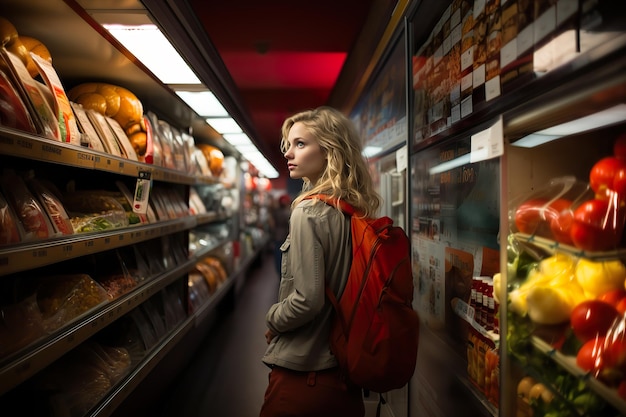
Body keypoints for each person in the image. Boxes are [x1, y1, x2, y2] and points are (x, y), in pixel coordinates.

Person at [260, 106, 381, 417]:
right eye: (288, 144)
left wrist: (273, 318)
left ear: (329, 151)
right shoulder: (352, 209)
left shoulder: (308, 211)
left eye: (301, 144)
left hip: (306, 376)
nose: (289, 153)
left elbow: (306, 301)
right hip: (344, 375)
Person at [269, 194, 291, 276]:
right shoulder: (288, 213)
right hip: (285, 236)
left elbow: (271, 223)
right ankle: (284, 273)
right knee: (285, 257)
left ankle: (279, 273)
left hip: (277, 236)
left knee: (278, 256)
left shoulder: (276, 212)